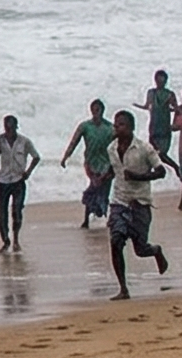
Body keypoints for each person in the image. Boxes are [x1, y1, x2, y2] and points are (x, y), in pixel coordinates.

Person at [103, 109, 176, 299]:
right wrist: (104, 176)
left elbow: (161, 172)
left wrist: (139, 177)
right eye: (116, 124)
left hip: (140, 203)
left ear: (131, 127)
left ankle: (156, 251)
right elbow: (115, 169)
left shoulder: (145, 148)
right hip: (119, 202)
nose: (117, 128)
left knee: (140, 249)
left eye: (122, 125)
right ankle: (123, 288)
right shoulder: (111, 148)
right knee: (116, 241)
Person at [0, 114, 41, 252]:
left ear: (16, 126)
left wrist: (28, 172)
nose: (8, 130)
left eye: (11, 127)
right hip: (3, 180)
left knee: (16, 211)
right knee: (0, 215)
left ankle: (16, 239)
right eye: (6, 127)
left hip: (18, 180)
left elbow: (36, 157)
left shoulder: (24, 141)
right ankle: (5, 241)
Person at [62, 99, 116, 228]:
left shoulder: (110, 128)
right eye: (94, 109)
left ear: (103, 111)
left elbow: (121, 144)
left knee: (104, 191)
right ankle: (86, 219)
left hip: (106, 164)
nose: (96, 112)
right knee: (92, 188)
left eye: (98, 109)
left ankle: (105, 216)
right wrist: (66, 156)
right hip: (91, 163)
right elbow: (74, 141)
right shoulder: (85, 126)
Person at [137, 69, 179, 157]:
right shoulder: (167, 94)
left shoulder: (156, 93)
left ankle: (174, 168)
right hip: (155, 127)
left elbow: (146, 106)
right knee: (155, 153)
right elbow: (176, 109)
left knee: (158, 153)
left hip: (162, 127)